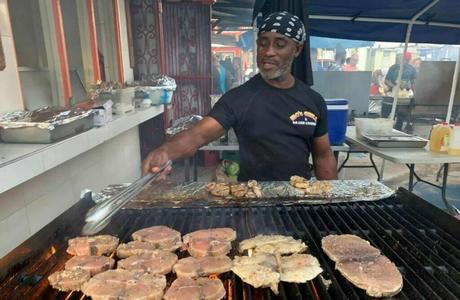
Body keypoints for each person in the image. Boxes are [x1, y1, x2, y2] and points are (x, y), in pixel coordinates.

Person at [142, 11, 337, 181]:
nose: (268, 52)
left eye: (280, 44)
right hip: (253, 204)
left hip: (299, 202)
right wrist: (166, 151)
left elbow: (322, 156)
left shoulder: (313, 101)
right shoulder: (239, 98)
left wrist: (335, 205)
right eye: (263, 43)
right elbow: (197, 135)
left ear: (297, 49)